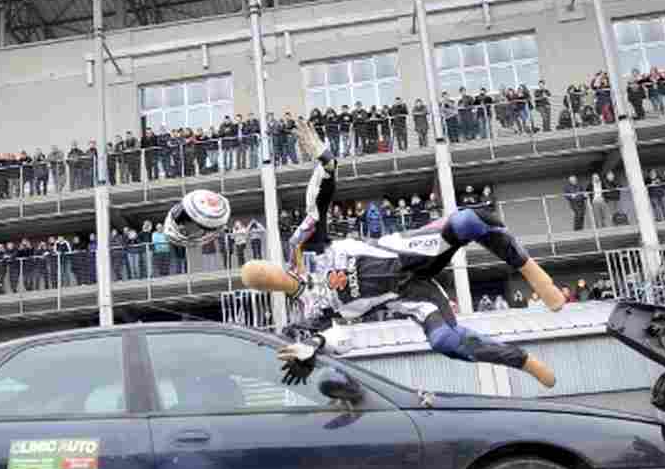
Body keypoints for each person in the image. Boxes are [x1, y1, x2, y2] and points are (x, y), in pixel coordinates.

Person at [241, 121, 563, 389]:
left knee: (468, 221)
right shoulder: (311, 312)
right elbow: (338, 338)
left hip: (406, 252)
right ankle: (522, 360)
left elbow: (318, 205)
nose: (269, 277)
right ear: (267, 290)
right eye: (262, 281)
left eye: (263, 271)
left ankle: (534, 273)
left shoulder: (303, 247)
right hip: (411, 295)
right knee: (445, 343)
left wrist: (325, 162)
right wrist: (312, 349)